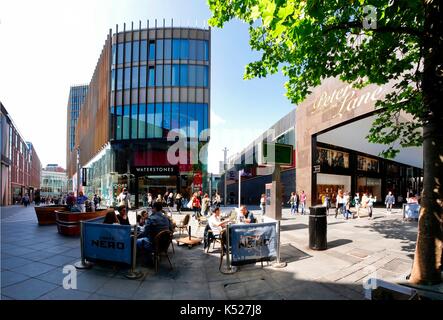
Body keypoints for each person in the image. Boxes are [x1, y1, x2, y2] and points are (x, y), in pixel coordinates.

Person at [137, 202, 172, 266]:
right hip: (165, 245)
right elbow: (171, 229)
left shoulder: (151, 218)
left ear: (155, 208)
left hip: (154, 245)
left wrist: (136, 236)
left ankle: (148, 261)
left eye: (152, 208)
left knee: (137, 241)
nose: (151, 210)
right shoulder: (166, 218)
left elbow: (145, 232)